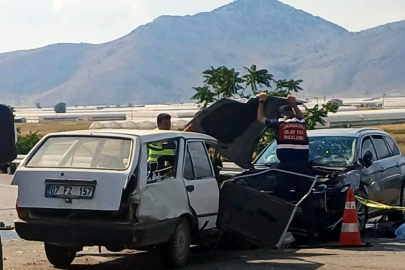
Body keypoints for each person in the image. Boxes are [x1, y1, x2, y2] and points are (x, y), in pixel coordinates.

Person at [257, 92, 316, 244]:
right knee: (306, 200)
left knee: (281, 200)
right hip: (303, 168)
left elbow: (260, 119)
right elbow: (301, 116)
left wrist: (262, 102)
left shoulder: (280, 124)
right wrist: (294, 104)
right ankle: (311, 236)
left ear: (282, 115)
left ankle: (279, 234)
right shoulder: (301, 124)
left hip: (286, 168)